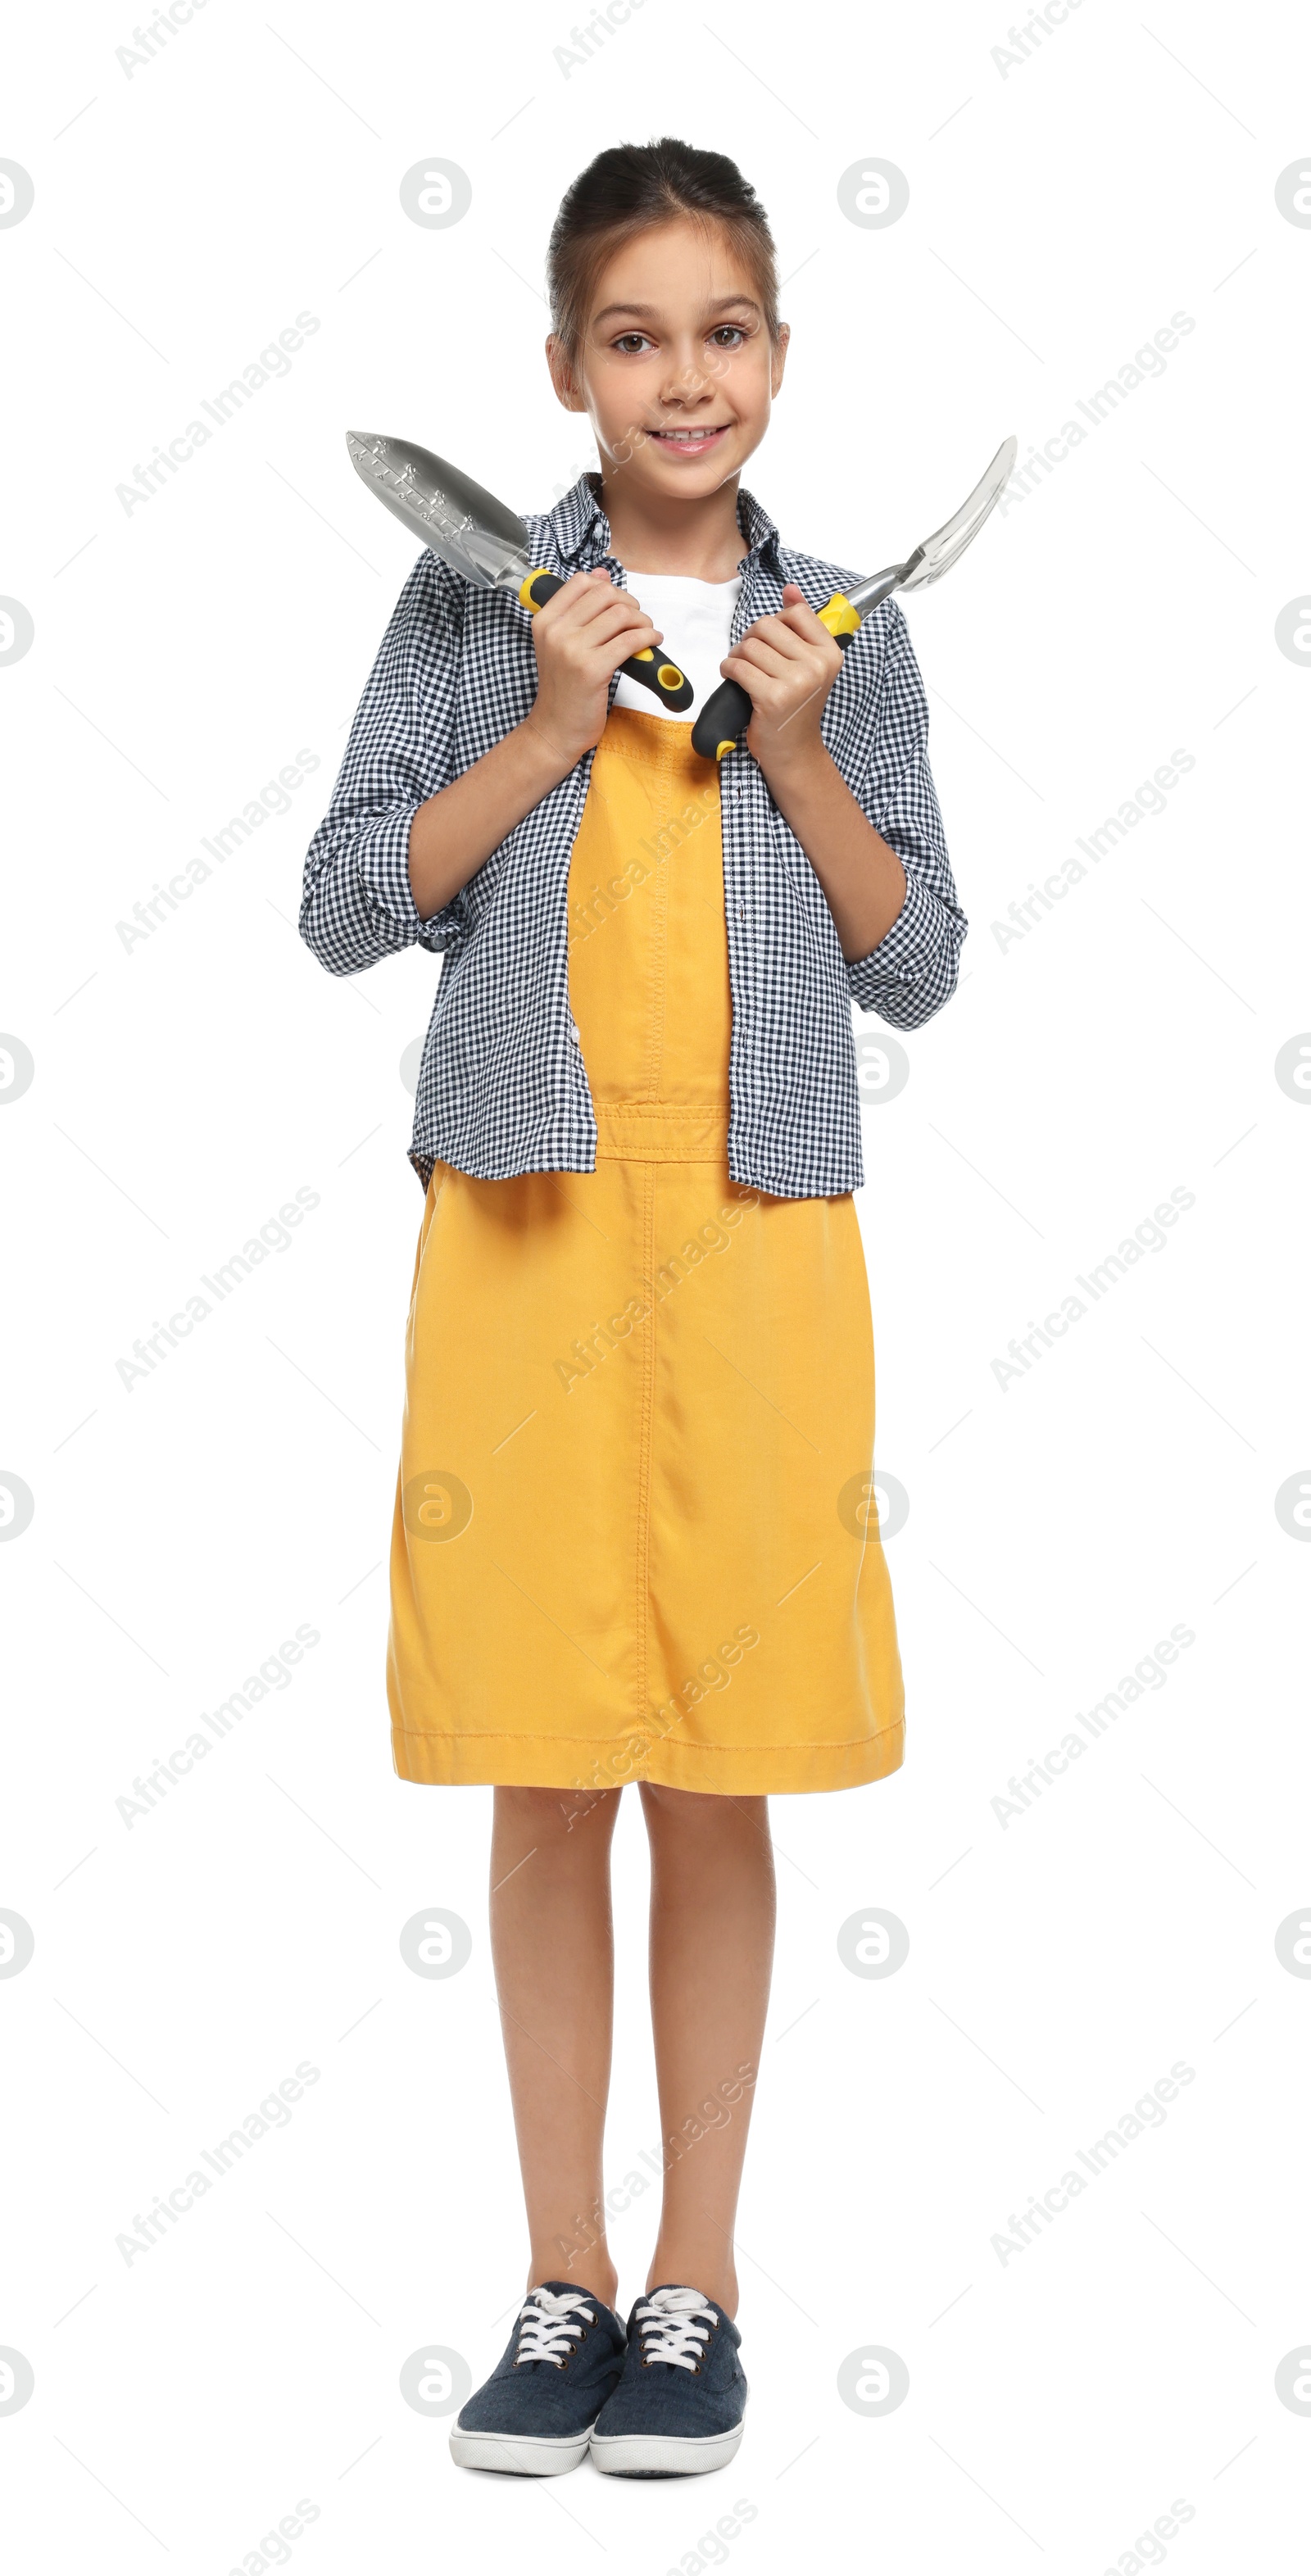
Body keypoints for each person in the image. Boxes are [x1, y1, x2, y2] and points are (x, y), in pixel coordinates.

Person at [299, 135, 966, 2481]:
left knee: (718, 1764)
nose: (687, 376)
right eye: (636, 335)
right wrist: (551, 724)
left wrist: (790, 743)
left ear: (780, 353)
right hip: (524, 1234)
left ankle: (699, 2288)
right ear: (566, 369)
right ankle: (556, 2273)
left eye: (727, 330)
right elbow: (347, 907)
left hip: (762, 1245)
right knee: (543, 1750)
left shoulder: (850, 629)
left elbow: (924, 963)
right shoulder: (479, 608)